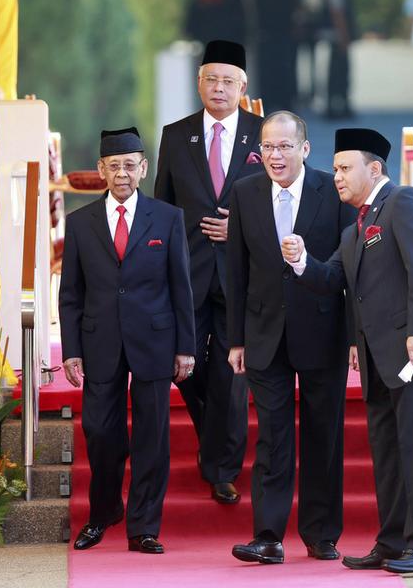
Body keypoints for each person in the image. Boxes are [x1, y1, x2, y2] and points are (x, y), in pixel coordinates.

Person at [281, 128, 413, 574]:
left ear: (373, 168)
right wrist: (300, 259)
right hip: (379, 358)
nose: (336, 176)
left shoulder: (405, 203)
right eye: (335, 168)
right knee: (388, 452)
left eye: (344, 168)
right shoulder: (355, 224)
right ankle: (394, 540)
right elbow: (333, 281)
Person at [226, 111, 356, 565]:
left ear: (304, 149)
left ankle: (321, 534)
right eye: (267, 146)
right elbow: (236, 270)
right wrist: (236, 339)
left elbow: (349, 271)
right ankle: (268, 536)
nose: (275, 155)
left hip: (322, 331)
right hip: (264, 332)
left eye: (284, 146)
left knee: (323, 434)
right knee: (273, 438)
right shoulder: (245, 192)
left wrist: (356, 335)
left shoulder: (333, 191)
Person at [61, 127, 194, 555]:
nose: (122, 173)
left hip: (155, 340)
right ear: (101, 169)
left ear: (143, 168)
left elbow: (181, 287)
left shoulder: (168, 218)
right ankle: (102, 513)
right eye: (114, 165)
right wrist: (71, 349)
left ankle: (144, 526)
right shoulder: (80, 224)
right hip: (100, 340)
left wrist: (186, 347)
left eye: (130, 165)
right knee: (99, 430)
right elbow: (71, 294)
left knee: (152, 435)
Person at [155, 39, 262, 505]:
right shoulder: (176, 135)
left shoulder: (264, 134)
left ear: (243, 85)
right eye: (211, 79)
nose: (219, 88)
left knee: (231, 376)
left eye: (228, 81)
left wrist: (237, 226)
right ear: (199, 83)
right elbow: (160, 207)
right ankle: (212, 439)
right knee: (187, 368)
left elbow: (288, 201)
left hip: (243, 273)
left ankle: (222, 468)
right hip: (187, 271)